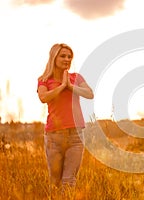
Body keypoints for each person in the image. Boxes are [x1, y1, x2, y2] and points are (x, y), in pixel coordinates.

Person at [37, 43, 94, 192]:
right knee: (55, 181)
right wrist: (62, 86)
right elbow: (43, 97)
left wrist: (70, 86)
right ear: (54, 57)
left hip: (76, 135)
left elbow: (89, 93)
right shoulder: (44, 79)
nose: (67, 59)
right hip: (54, 135)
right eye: (63, 56)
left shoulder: (76, 77)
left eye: (69, 56)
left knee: (69, 181)